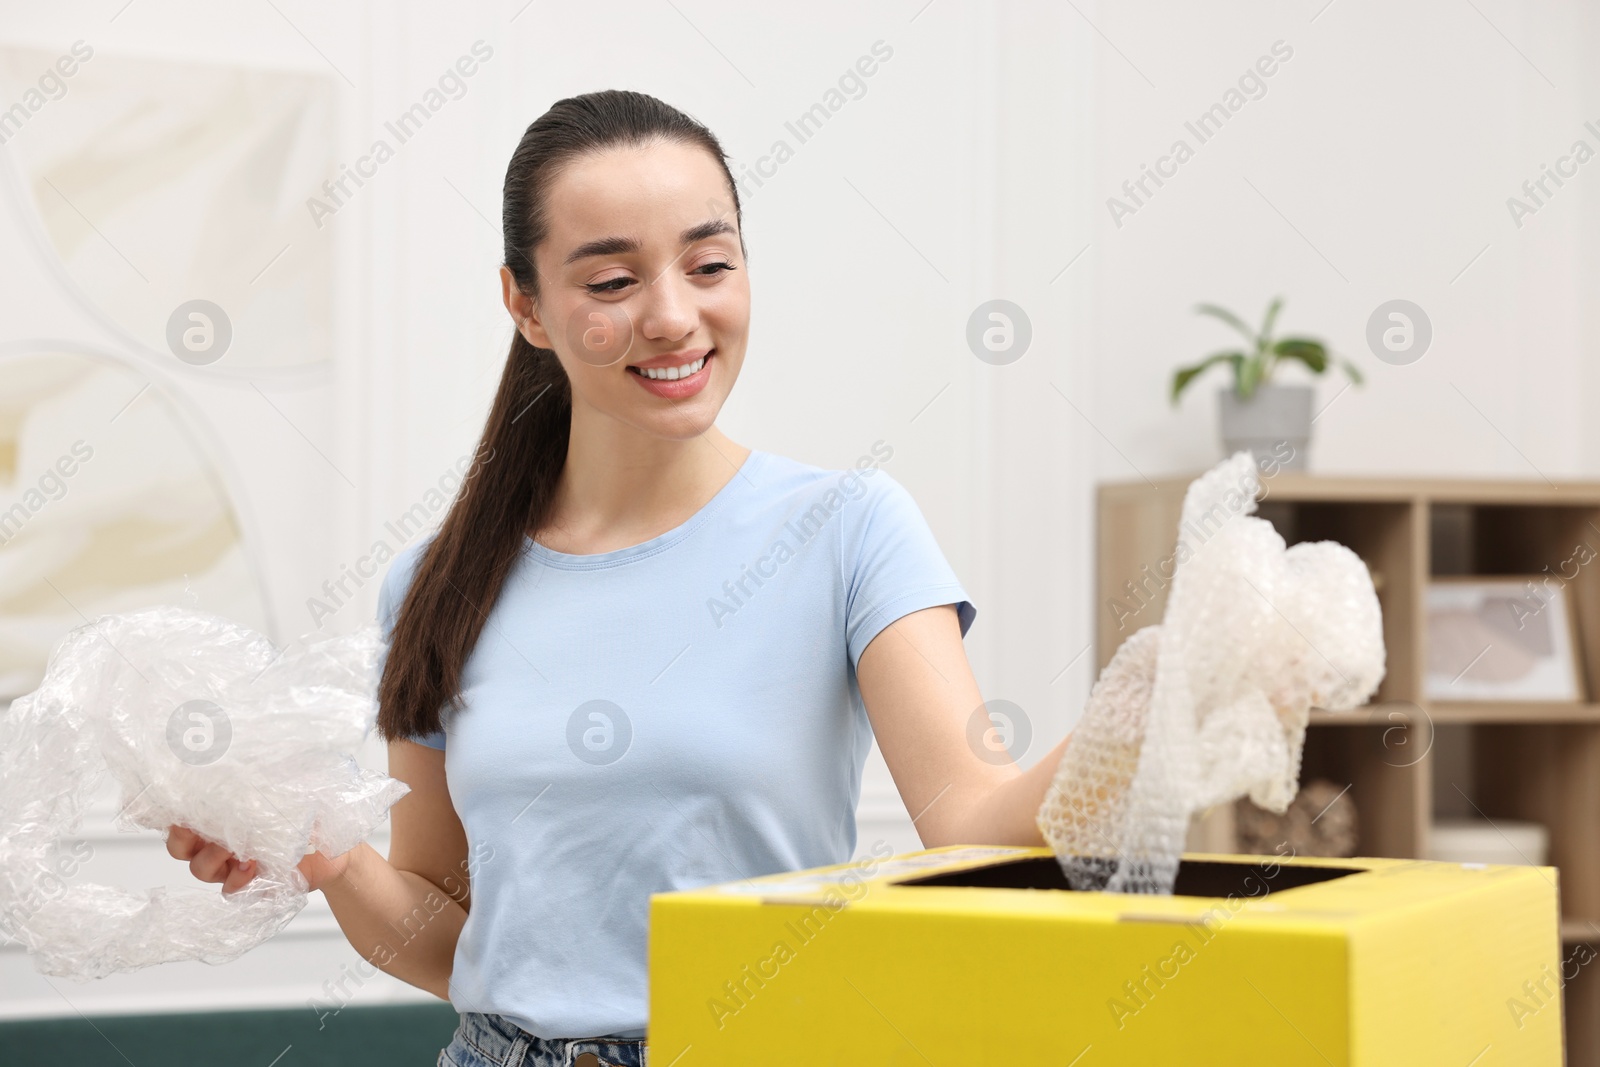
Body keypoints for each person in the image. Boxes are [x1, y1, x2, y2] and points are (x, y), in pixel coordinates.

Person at [167, 88, 1073, 1067]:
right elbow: (446, 933)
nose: (674, 317)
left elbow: (974, 827)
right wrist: (328, 851)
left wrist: (1168, 683)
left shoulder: (850, 528)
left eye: (709, 264)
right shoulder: (435, 581)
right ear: (527, 304)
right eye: (611, 282)